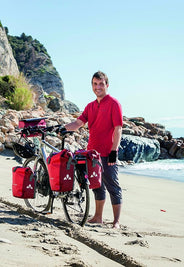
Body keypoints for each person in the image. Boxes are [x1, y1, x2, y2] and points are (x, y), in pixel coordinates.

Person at [61, 70, 123, 228]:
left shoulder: (114, 103)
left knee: (112, 186)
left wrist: (114, 152)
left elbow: (118, 129)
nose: (98, 87)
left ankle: (116, 221)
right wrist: (63, 128)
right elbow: (78, 123)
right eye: (95, 84)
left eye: (101, 84)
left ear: (107, 85)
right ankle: (98, 217)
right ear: (92, 86)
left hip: (108, 153)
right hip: (92, 154)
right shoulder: (90, 106)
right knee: (97, 185)